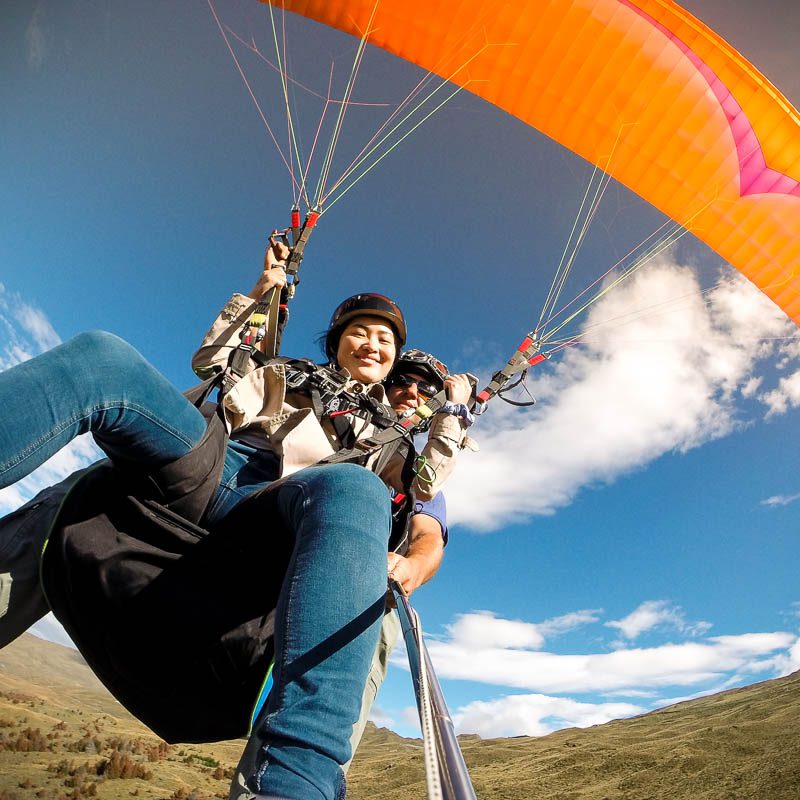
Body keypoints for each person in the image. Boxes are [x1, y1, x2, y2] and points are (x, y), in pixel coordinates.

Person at [0, 241, 474, 800]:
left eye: (385, 340)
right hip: (211, 463)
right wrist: (260, 294)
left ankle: (296, 778)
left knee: (357, 488)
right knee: (102, 356)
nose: (372, 343)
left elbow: (425, 491)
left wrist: (452, 414)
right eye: (360, 332)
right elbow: (213, 365)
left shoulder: (395, 443)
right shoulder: (286, 372)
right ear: (337, 342)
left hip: (270, 516)